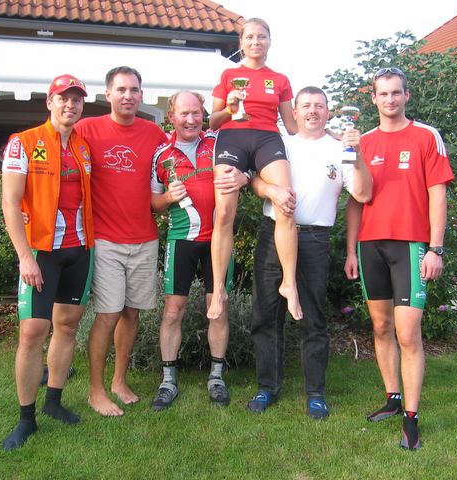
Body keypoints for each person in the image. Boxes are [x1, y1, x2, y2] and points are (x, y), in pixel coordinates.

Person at [344, 67, 454, 450]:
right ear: (373, 98)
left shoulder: (426, 136)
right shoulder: (363, 142)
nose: (389, 99)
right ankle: (392, 398)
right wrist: (350, 250)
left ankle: (411, 417)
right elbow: (355, 201)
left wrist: (435, 248)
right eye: (383, 93)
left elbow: (438, 194)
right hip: (369, 245)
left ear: (406, 95)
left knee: (408, 334)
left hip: (410, 245)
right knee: (380, 327)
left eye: (396, 93)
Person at [249, 86, 372, 417]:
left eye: (319, 106)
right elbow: (254, 181)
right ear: (295, 112)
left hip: (314, 240)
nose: (312, 111)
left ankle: (315, 393)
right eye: (305, 106)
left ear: (328, 112)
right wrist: (270, 189)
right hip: (274, 233)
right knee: (266, 314)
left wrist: (357, 153)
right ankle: (267, 387)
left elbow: (362, 193)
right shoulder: (280, 143)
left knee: (313, 318)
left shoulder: (341, 149)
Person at [1, 74, 94, 451]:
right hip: (41, 252)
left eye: (76, 99)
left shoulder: (83, 147)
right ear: (49, 102)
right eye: (63, 98)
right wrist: (25, 257)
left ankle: (53, 401)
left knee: (67, 326)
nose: (70, 105)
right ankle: (26, 418)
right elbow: (10, 203)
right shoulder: (23, 142)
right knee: (32, 332)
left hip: (80, 250)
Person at [74, 66, 167, 417]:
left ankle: (118, 381)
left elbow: (175, 161)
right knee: (109, 313)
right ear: (108, 94)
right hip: (106, 239)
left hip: (144, 237)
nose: (128, 96)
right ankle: (95, 390)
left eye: (134, 90)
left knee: (131, 312)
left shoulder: (154, 133)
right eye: (121, 89)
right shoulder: (87, 129)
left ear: (141, 95)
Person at [149, 91, 248, 411]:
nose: (191, 120)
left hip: (219, 241)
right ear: (171, 117)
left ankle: (216, 377)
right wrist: (168, 198)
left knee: (218, 306)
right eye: (184, 114)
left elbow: (252, 164)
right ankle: (168, 381)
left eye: (196, 113)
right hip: (182, 239)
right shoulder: (161, 155)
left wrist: (244, 177)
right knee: (173, 311)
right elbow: (153, 202)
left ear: (203, 113)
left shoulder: (219, 142)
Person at [207, 17, 302, 323]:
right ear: (241, 43)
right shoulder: (229, 74)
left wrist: (330, 133)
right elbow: (212, 122)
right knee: (224, 212)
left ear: (269, 42)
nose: (255, 42)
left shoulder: (280, 79)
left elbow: (292, 127)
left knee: (286, 202)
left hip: (266, 138)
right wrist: (230, 108)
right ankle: (219, 289)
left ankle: (289, 283)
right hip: (232, 138)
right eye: (249, 37)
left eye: (261, 37)